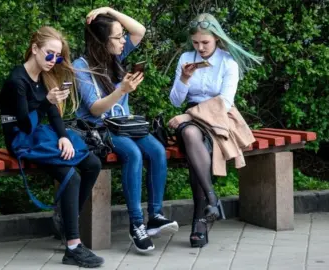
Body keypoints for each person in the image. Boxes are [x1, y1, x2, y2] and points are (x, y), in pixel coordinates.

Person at [73, 7, 179, 253]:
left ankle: (155, 216)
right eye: (117, 37)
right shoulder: (82, 66)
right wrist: (122, 90)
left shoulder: (115, 57)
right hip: (99, 129)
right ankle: (136, 224)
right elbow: (96, 110)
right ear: (101, 41)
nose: (123, 41)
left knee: (157, 150)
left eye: (122, 36)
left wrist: (109, 10)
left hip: (125, 125)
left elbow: (139, 30)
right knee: (133, 153)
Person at [0, 26, 104, 267]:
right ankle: (73, 247)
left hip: (39, 135)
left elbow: (53, 115)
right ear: (35, 49)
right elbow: (24, 125)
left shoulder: (44, 76)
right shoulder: (17, 81)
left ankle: (66, 220)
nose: (53, 60)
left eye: (57, 56)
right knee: (71, 176)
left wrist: (63, 137)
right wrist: (47, 102)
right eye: (49, 54)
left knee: (92, 164)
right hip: (21, 139)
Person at [168, 13, 262, 248]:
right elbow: (176, 101)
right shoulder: (186, 59)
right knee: (189, 134)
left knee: (192, 141)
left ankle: (200, 219)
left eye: (205, 42)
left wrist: (187, 116)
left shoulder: (228, 62)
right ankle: (210, 201)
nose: (200, 47)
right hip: (190, 118)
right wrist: (184, 79)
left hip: (219, 117)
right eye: (196, 42)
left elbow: (225, 102)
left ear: (217, 39)